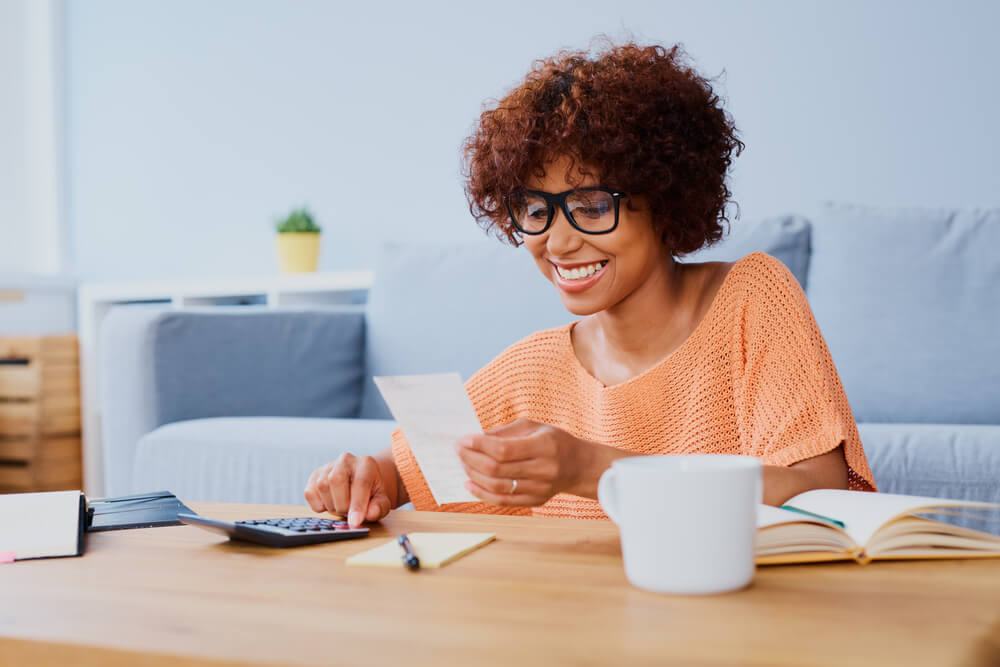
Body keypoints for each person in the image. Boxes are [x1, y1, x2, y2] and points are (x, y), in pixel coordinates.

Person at [305, 40, 878, 528]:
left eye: (590, 205)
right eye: (536, 209)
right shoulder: (531, 370)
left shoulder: (753, 300)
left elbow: (817, 491)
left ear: (665, 196)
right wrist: (360, 479)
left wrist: (585, 469)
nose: (557, 242)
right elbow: (399, 474)